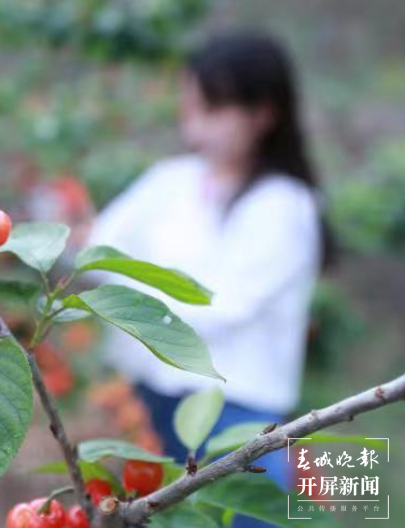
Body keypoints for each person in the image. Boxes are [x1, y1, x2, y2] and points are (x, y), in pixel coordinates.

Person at [87, 31, 331, 527]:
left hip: (236, 417)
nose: (194, 124)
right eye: (190, 106)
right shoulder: (169, 180)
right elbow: (97, 250)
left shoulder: (286, 205)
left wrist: (121, 292)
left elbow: (220, 309)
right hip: (149, 402)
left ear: (262, 114)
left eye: (211, 109)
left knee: (246, 513)